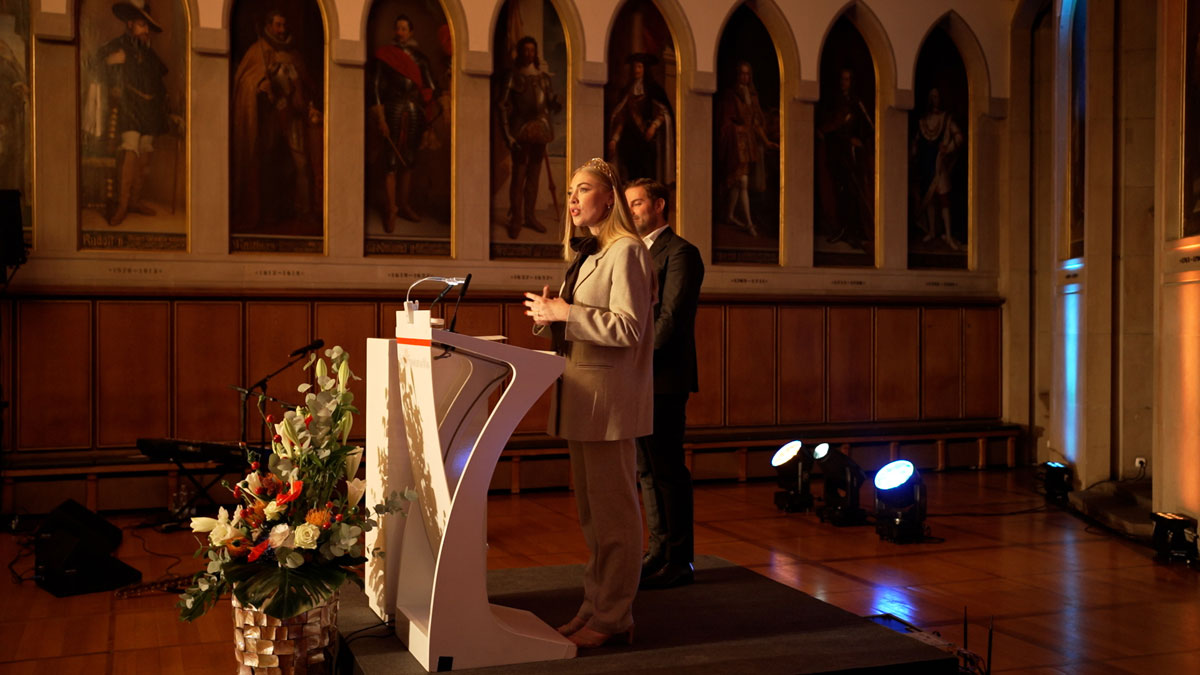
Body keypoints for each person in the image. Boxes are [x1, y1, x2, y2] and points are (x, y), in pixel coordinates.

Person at [523, 158, 656, 649]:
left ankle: (615, 616)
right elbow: (582, 320)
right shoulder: (591, 253)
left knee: (615, 519)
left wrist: (566, 312)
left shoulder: (627, 251)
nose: (573, 200)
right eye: (571, 192)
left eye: (583, 190)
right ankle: (595, 606)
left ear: (610, 197)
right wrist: (549, 316)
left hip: (608, 403)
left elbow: (629, 328)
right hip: (582, 398)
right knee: (592, 519)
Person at [625, 177, 704, 590]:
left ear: (659, 205)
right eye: (627, 205)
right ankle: (657, 551)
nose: (631, 211)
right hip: (635, 375)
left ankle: (679, 559)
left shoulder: (681, 252)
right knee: (645, 470)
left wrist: (633, 355)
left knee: (668, 469)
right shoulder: (630, 251)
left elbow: (671, 318)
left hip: (664, 375)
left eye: (637, 204)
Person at [231, 9, 322, 233]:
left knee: (300, 165)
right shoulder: (257, 51)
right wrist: (258, 85)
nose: (282, 30)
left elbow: (309, 86)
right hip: (269, 118)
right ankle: (268, 213)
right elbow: (244, 82)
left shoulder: (294, 55)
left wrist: (300, 93)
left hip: (293, 118)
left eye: (284, 25)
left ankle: (304, 211)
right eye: (278, 25)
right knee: (268, 164)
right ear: (268, 26)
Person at [89, 1, 169, 226]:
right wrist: (111, 61)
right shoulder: (116, 46)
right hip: (127, 108)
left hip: (149, 110)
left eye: (147, 26)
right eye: (142, 25)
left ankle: (134, 200)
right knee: (131, 149)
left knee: (146, 151)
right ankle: (122, 205)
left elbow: (159, 83)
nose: (146, 30)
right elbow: (92, 65)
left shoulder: (149, 53)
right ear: (130, 24)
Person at [370, 14, 438, 231]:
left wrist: (432, 102)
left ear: (411, 32)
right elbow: (375, 86)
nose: (400, 32)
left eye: (404, 29)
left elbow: (430, 87)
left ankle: (404, 204)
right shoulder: (385, 55)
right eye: (397, 28)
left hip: (415, 112)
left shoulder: (420, 58)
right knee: (391, 161)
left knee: (409, 160)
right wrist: (381, 118)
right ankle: (391, 209)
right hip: (392, 109)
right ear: (394, 31)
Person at [497, 36, 560, 240]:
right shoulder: (513, 76)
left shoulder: (543, 78)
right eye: (525, 50)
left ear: (535, 53)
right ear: (520, 52)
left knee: (534, 175)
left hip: (541, 129)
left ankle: (530, 216)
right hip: (521, 129)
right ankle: (516, 219)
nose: (529, 54)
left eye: (532, 50)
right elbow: (502, 105)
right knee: (519, 176)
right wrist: (508, 135)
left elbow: (549, 103)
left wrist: (556, 102)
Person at [717, 61, 778, 237]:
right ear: (738, 76)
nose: (745, 77)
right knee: (742, 182)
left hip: (747, 144)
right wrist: (736, 130)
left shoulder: (752, 96)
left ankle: (730, 215)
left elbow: (755, 123)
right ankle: (749, 224)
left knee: (739, 183)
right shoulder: (731, 95)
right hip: (736, 143)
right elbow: (725, 122)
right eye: (742, 74)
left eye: (747, 74)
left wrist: (766, 142)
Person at [816, 67, 873, 250]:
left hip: (850, 153)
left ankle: (852, 232)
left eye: (847, 79)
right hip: (836, 151)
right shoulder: (833, 101)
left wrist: (857, 139)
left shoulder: (856, 102)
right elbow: (828, 126)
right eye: (842, 79)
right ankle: (841, 230)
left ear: (851, 82)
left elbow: (868, 127)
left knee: (851, 191)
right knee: (838, 191)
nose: (844, 82)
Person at [607, 53, 674, 186]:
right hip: (630, 141)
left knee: (647, 173)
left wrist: (654, 126)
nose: (636, 70)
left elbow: (664, 112)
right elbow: (620, 118)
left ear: (645, 69)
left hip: (646, 140)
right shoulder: (627, 91)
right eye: (634, 67)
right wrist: (614, 139)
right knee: (631, 174)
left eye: (639, 67)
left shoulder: (654, 90)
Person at [910, 87, 964, 251]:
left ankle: (948, 234)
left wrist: (948, 148)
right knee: (930, 199)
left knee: (944, 198)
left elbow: (959, 137)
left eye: (937, 96)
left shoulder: (946, 119)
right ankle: (932, 231)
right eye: (932, 96)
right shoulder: (923, 121)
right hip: (926, 164)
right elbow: (916, 141)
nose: (935, 99)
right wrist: (913, 150)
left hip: (939, 165)